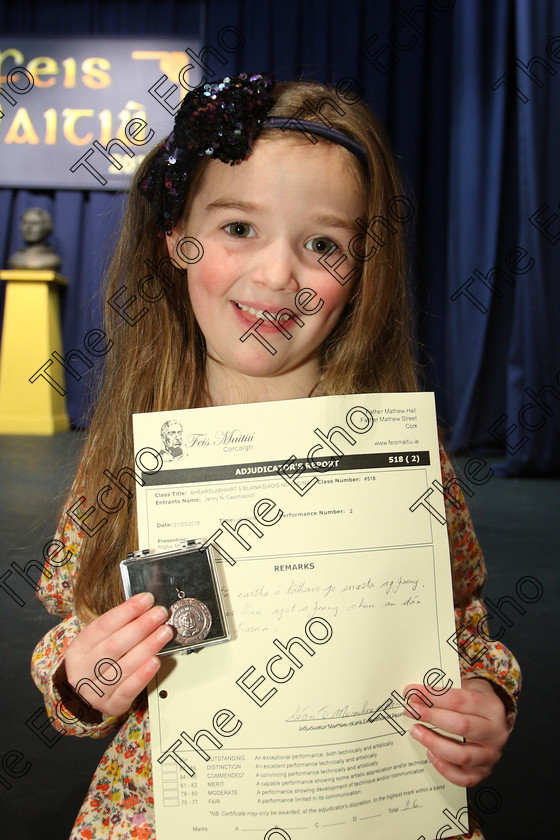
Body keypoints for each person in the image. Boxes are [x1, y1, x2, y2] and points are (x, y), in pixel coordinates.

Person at [31, 74, 520, 840]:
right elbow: (73, 619)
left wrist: (483, 693)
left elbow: (460, 620)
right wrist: (86, 679)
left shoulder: (399, 453)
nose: (277, 274)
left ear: (361, 274)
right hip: (171, 804)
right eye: (238, 229)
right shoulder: (128, 451)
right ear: (176, 240)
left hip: (367, 799)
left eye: (322, 243)